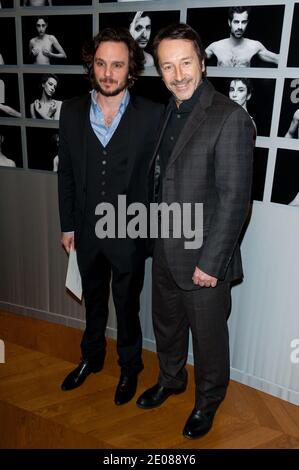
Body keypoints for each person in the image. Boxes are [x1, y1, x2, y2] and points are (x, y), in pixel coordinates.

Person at [136, 23, 254, 439]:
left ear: (202, 63)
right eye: (167, 66)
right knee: (165, 324)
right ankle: (171, 379)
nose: (178, 74)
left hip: (203, 256)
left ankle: (208, 399)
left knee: (208, 338)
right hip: (165, 246)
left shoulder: (230, 117)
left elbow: (235, 200)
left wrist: (212, 262)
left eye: (186, 63)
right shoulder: (169, 108)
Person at [58, 27, 163, 405]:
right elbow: (66, 173)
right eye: (101, 63)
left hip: (129, 232)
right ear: (92, 64)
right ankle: (92, 358)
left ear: (130, 70)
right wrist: (67, 224)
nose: (107, 72)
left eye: (117, 65)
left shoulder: (152, 115)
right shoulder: (70, 111)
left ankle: (130, 367)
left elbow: (160, 179)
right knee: (94, 302)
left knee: (127, 307)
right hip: (85, 232)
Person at [205, 6, 279, 67]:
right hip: (221, 84)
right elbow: (197, 60)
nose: (240, 27)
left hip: (244, 84)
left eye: (243, 22)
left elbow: (278, 59)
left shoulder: (254, 46)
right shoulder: (216, 46)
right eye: (236, 22)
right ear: (229, 22)